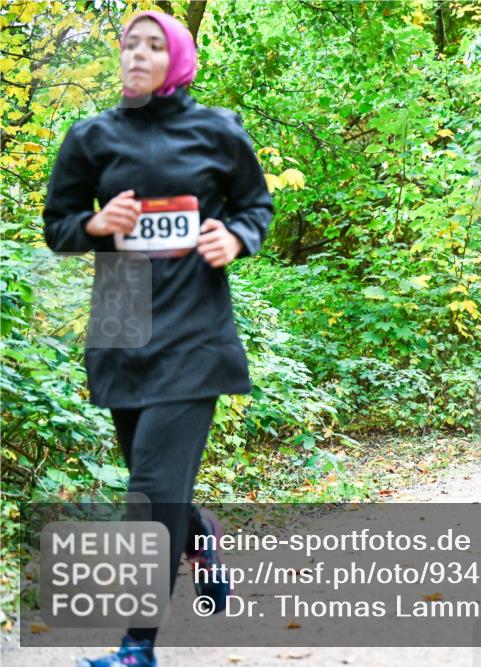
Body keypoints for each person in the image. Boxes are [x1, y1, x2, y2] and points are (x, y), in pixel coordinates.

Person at [42, 12, 272, 667]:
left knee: (148, 486)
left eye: (152, 45)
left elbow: (256, 207)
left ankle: (138, 644)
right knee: (157, 483)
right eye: (128, 45)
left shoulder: (218, 131)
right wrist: (92, 224)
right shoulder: (91, 138)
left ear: (177, 59)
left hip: (194, 329)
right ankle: (202, 538)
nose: (136, 55)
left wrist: (236, 237)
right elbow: (57, 225)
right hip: (122, 326)